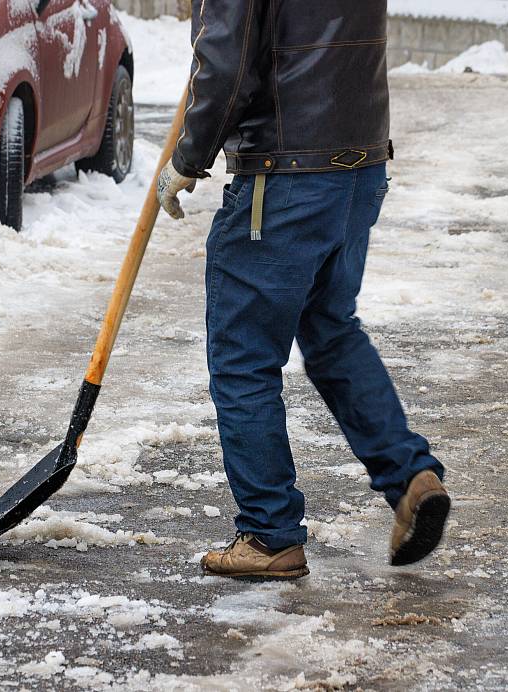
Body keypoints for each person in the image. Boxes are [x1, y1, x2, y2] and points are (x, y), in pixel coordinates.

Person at [157, 0, 450, 578]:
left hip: (283, 174)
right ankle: (410, 476)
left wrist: (190, 156)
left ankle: (269, 536)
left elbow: (225, 62)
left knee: (244, 360)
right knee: (331, 328)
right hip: (360, 168)